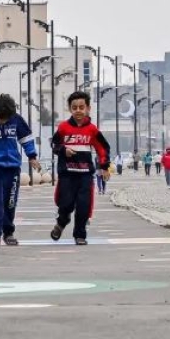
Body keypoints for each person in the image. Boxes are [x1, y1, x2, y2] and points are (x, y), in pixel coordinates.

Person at [0, 94, 41, 248]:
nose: (3, 121)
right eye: (0, 118)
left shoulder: (16, 120)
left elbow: (26, 138)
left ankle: (8, 232)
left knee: (10, 202)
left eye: (6, 119)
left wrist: (32, 156)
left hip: (13, 167)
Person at [50, 91, 111, 245]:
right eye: (74, 107)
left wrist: (104, 167)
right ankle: (61, 223)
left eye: (81, 107)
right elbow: (54, 144)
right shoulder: (63, 127)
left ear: (88, 108)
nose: (78, 110)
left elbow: (103, 148)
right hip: (67, 174)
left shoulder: (92, 130)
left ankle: (80, 234)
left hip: (85, 175)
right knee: (65, 204)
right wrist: (64, 150)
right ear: (70, 109)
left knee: (84, 206)